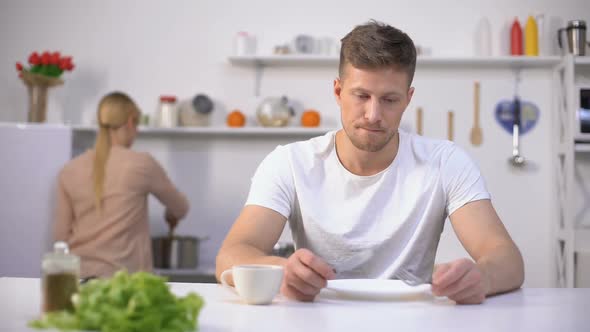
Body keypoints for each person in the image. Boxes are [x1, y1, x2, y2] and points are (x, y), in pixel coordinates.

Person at [216, 21, 525, 304]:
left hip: (411, 320)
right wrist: (284, 269)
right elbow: (232, 254)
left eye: (389, 100)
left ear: (408, 98)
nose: (374, 114)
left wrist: (481, 277)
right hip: (314, 319)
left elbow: (507, 260)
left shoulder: (446, 162)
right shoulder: (289, 162)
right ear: (338, 91)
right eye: (361, 96)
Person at [54, 92, 189, 278]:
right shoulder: (142, 164)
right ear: (131, 122)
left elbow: (60, 237)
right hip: (126, 282)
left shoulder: (69, 170)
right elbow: (181, 207)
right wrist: (171, 215)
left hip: (79, 278)